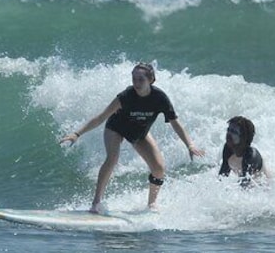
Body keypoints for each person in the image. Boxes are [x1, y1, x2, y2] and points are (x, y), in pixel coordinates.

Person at [59, 62, 204, 213]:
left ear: (151, 80)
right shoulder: (126, 96)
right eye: (134, 79)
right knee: (112, 158)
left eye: (141, 79)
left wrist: (190, 145)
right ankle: (96, 202)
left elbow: (175, 123)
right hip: (116, 127)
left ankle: (152, 204)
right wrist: (77, 134)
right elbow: (101, 117)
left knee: (159, 168)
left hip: (139, 132)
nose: (136, 83)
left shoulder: (160, 98)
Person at [218, 116, 270, 187]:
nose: (228, 134)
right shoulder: (228, 148)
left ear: (243, 138)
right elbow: (222, 176)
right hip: (249, 183)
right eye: (228, 130)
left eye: (234, 132)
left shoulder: (250, 156)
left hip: (263, 185)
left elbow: (245, 185)